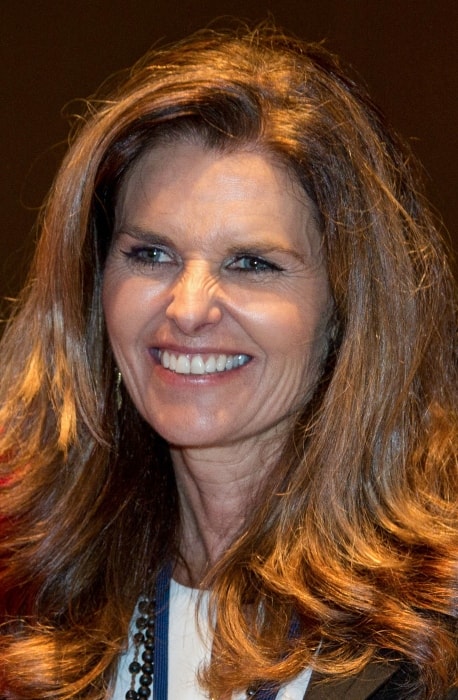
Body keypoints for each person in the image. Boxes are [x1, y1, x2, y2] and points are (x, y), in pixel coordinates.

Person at [0, 21, 456, 700]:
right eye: (150, 254)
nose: (187, 308)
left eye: (252, 264)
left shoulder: (435, 627)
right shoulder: (35, 596)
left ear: (346, 310)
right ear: (95, 285)